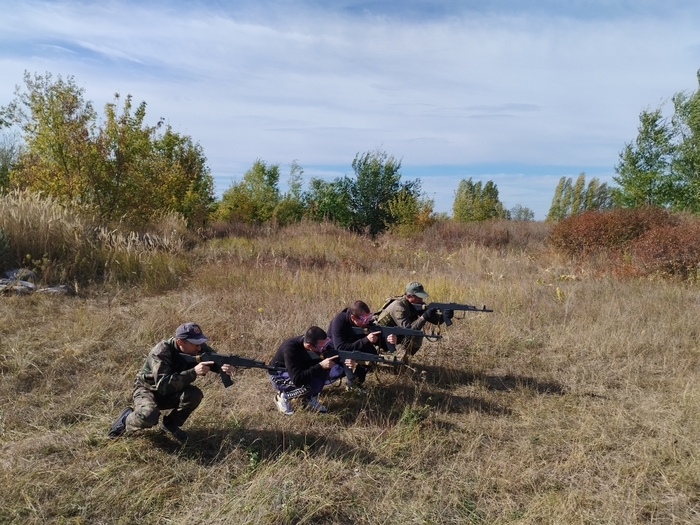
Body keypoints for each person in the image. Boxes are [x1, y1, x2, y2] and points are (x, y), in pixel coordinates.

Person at [107, 322, 233, 444]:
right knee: (149, 415)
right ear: (180, 342)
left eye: (200, 342)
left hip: (172, 388)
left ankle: (170, 424)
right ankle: (125, 420)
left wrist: (222, 367)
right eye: (195, 344)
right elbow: (163, 386)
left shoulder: (198, 347)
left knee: (194, 395)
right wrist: (193, 372)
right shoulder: (160, 352)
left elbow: (214, 361)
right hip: (147, 389)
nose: (199, 347)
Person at [268, 326, 343, 415]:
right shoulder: (290, 349)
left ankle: (309, 398)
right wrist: (320, 366)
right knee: (311, 384)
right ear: (309, 346)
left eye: (326, 344)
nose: (325, 349)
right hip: (279, 376)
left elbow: (332, 354)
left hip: (299, 372)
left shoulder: (316, 344)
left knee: (328, 371)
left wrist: (344, 360)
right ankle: (283, 397)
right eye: (321, 347)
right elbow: (297, 379)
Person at [327, 300, 396, 392]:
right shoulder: (338, 322)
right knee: (338, 372)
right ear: (353, 317)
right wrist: (366, 340)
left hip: (352, 348)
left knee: (371, 352)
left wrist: (388, 340)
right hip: (334, 355)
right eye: (364, 319)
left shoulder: (364, 323)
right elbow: (340, 348)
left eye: (369, 318)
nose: (367, 322)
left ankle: (355, 384)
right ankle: (312, 386)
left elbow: (382, 344)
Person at [374, 281, 448, 364]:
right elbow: (409, 332)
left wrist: (444, 316)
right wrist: (423, 317)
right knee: (416, 336)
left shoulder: (415, 304)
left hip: (395, 335)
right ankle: (395, 359)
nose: (421, 300)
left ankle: (404, 358)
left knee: (418, 336)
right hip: (381, 340)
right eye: (419, 297)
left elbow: (435, 320)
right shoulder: (399, 307)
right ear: (409, 296)